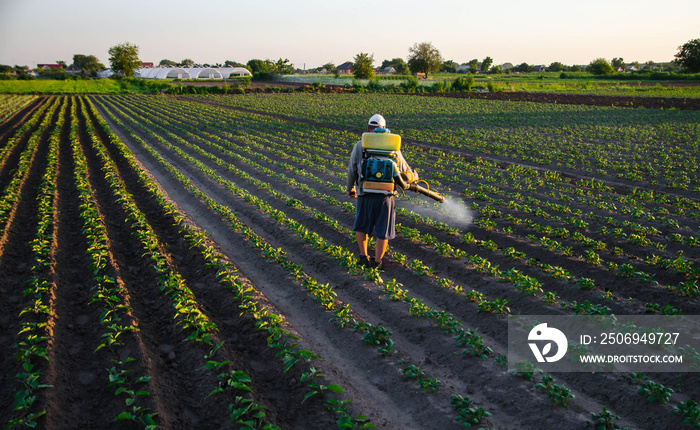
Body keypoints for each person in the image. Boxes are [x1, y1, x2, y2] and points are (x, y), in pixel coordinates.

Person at [347, 114, 414, 269]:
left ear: (368, 128)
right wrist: (413, 177)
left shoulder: (360, 145)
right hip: (386, 196)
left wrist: (350, 188)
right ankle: (377, 262)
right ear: (384, 129)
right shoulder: (392, 146)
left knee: (362, 226)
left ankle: (363, 257)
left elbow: (352, 170)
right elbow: (405, 172)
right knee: (383, 230)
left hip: (365, 193)